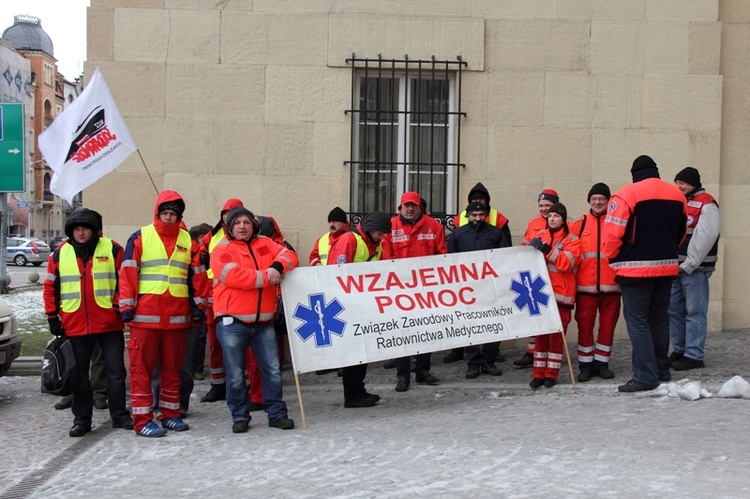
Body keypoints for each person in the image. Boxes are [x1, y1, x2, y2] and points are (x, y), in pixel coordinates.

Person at [120, 190, 209, 437]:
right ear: (158, 213)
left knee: (173, 369)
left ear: (180, 216)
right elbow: (128, 273)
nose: (169, 218)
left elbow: (199, 278)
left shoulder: (189, 243)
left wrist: (198, 307)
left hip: (177, 317)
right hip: (144, 318)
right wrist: (126, 307)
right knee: (142, 371)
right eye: (165, 213)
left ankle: (170, 414)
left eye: (173, 214)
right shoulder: (139, 237)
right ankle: (142, 420)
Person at [43, 208, 133, 437]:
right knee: (79, 376)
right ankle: (81, 420)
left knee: (116, 373)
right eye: (76, 228)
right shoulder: (59, 253)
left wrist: (117, 307)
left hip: (108, 323)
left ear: (95, 230)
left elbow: (125, 280)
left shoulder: (112, 248)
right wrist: (52, 317)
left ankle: (119, 415)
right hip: (75, 324)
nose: (81, 233)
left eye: (85, 228)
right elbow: (50, 287)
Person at [602, 155, 687, 393]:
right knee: (660, 320)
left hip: (635, 269)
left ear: (634, 172)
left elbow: (612, 234)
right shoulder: (677, 194)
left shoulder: (626, 194)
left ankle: (645, 376)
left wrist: (613, 258)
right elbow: (683, 232)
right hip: (668, 267)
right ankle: (661, 370)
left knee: (638, 323)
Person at [211, 207, 298, 433]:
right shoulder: (222, 249)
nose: (242, 226)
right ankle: (240, 416)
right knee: (236, 374)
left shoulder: (265, 243)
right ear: (229, 227)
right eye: (237, 222)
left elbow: (290, 255)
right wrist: (268, 277)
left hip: (263, 323)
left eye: (246, 222)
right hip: (232, 322)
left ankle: (277, 414)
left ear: (254, 225)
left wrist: (278, 266)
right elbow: (233, 276)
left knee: (272, 371)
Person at [381, 191, 447, 392]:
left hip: (426, 290)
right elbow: (385, 258)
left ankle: (422, 371)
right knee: (403, 332)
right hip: (401, 291)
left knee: (426, 330)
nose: (409, 209)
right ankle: (403, 376)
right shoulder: (390, 227)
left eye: (413, 206)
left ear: (421, 208)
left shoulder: (434, 226)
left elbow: (442, 256)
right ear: (399, 208)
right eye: (406, 206)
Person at [326, 211, 391, 407]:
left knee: (362, 350)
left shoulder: (374, 244)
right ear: (370, 229)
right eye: (380, 233)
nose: (382, 237)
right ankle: (353, 395)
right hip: (348, 305)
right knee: (355, 351)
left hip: (362, 304)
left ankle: (357, 391)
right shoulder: (350, 239)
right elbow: (337, 271)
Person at [445, 183, 512, 364]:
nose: (477, 218)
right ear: (468, 215)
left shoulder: (496, 232)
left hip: (491, 286)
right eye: (474, 215)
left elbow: (505, 256)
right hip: (467, 287)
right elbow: (451, 260)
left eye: (481, 214)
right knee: (470, 324)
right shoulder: (458, 234)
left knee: (494, 322)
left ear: (486, 214)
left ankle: (489, 360)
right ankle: (473, 363)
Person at [669, 167, 720, 371]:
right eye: (677, 182)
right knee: (674, 311)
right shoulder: (681, 202)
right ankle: (679, 349)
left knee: (695, 312)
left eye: (683, 182)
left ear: (693, 183)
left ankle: (694, 354)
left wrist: (689, 264)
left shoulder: (706, 203)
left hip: (694, 269)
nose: (679, 186)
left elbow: (705, 237)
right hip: (676, 267)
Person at [569, 183, 621, 382]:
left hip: (612, 288)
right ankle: (585, 365)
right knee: (585, 327)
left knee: (607, 327)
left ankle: (602, 364)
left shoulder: (616, 223)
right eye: (594, 199)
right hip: (585, 288)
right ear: (589, 201)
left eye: (602, 199)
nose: (598, 202)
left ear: (608, 201)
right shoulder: (579, 225)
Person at [527, 203, 581, 388]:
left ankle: (551, 374)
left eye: (556, 216)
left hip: (561, 296)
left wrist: (547, 250)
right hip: (541, 296)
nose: (552, 218)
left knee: (557, 340)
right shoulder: (539, 236)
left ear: (563, 219)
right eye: (550, 215)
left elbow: (567, 263)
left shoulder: (573, 240)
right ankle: (537, 374)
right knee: (540, 338)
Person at [200, 198, 244, 404]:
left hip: (240, 298)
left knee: (242, 344)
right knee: (216, 344)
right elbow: (199, 266)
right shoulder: (210, 238)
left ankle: (242, 385)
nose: (228, 216)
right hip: (214, 298)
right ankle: (218, 385)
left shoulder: (248, 235)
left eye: (232, 212)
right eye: (225, 213)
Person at [514, 188, 561, 368]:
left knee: (552, 317)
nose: (544, 209)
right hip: (535, 276)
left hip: (554, 275)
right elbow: (524, 245)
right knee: (534, 315)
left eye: (547, 205)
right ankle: (532, 352)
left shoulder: (565, 223)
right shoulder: (533, 223)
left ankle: (551, 353)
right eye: (541, 205)